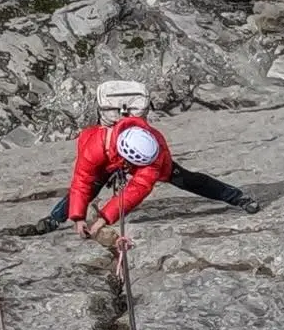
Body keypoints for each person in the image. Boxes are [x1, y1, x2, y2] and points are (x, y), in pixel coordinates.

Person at [31, 81, 260, 235]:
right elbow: (81, 181)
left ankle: (238, 198)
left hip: (128, 156)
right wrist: (78, 218)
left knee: (189, 180)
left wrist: (104, 218)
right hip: (106, 158)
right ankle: (55, 219)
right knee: (89, 186)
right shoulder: (94, 146)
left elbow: (136, 190)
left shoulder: (154, 154)